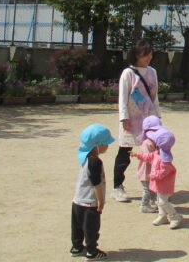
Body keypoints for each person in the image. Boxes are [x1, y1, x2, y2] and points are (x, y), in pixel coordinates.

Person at [112, 39, 161, 202]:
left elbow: (154, 96)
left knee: (152, 152)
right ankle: (117, 187)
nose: (148, 57)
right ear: (136, 55)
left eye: (150, 54)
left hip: (149, 118)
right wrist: (123, 117)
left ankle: (151, 187)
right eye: (145, 54)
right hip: (132, 119)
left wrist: (158, 116)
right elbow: (123, 97)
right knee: (125, 152)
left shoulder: (153, 72)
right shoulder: (128, 73)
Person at [71, 124, 115, 260]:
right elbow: (96, 184)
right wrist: (100, 201)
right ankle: (92, 251)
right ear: (97, 145)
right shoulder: (95, 162)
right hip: (90, 202)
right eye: (106, 143)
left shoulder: (84, 156)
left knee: (77, 227)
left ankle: (76, 247)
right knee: (91, 229)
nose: (107, 146)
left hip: (77, 201)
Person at [132, 128, 183, 228]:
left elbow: (164, 172)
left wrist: (152, 176)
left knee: (163, 202)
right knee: (159, 201)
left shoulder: (165, 158)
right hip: (159, 184)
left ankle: (174, 216)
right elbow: (149, 156)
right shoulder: (157, 153)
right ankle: (162, 216)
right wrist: (137, 155)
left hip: (165, 185)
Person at [132, 115, 162, 213]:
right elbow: (148, 157)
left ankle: (153, 202)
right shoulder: (147, 143)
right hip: (146, 172)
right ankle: (144, 205)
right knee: (147, 189)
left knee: (153, 188)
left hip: (153, 171)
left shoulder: (155, 141)